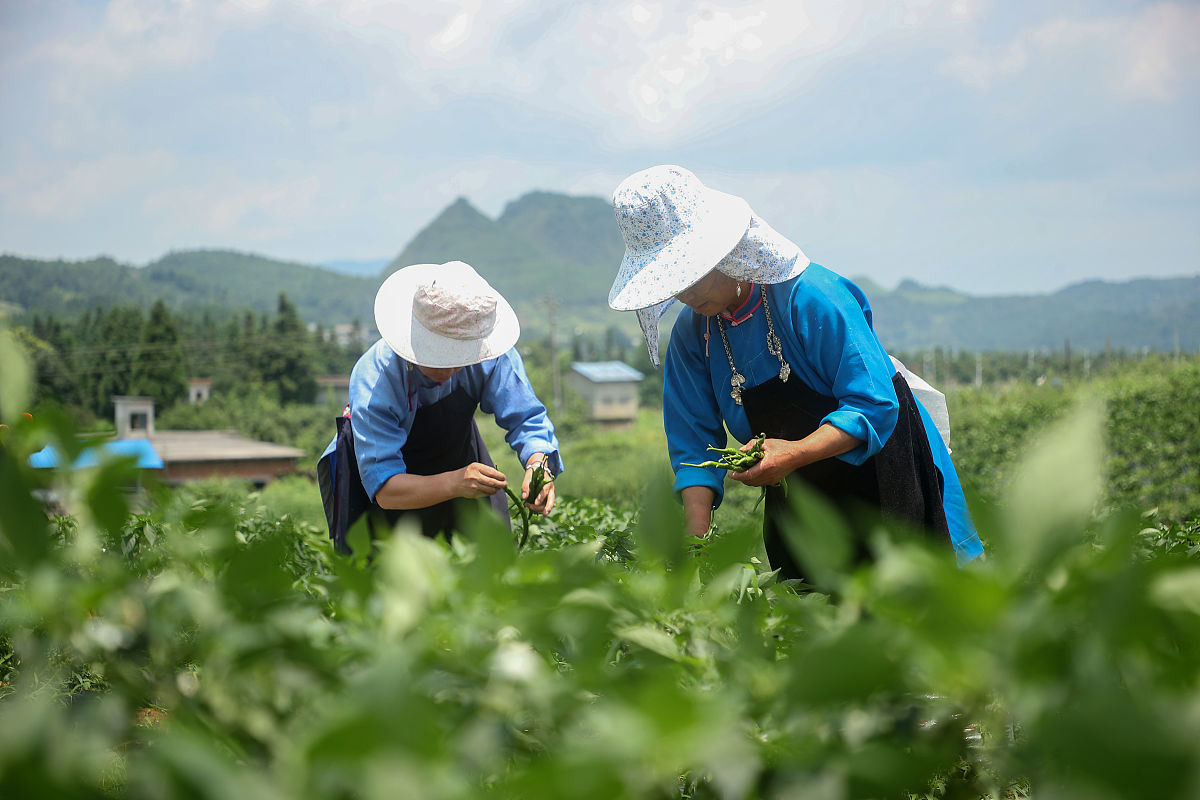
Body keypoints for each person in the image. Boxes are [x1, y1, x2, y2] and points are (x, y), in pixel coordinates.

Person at [606, 165, 983, 582]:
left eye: (690, 272)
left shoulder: (811, 297)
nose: (686, 292)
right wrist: (695, 541)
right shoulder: (695, 336)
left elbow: (873, 403)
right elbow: (694, 443)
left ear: (724, 250)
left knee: (914, 602)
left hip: (886, 472)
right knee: (814, 621)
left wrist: (795, 453)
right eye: (673, 280)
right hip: (798, 494)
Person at [318, 260, 562, 553]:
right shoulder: (377, 378)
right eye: (439, 355)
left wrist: (539, 465)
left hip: (457, 459)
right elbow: (385, 488)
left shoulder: (487, 352)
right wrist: (454, 483)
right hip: (393, 491)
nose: (450, 368)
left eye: (460, 357)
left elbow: (527, 418)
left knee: (483, 569)